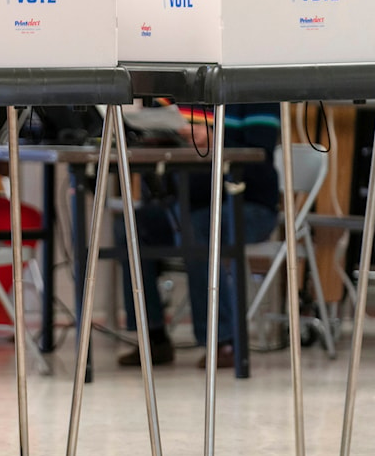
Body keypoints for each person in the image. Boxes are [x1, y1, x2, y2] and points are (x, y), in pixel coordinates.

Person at [115, 103, 281, 369]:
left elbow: (260, 154)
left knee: (199, 227)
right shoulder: (184, 94)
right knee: (133, 226)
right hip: (191, 204)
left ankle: (223, 341)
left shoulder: (256, 93)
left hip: (251, 206)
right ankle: (153, 337)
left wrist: (215, 139)